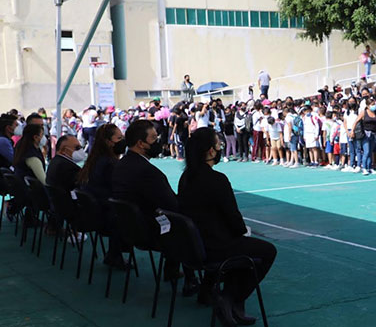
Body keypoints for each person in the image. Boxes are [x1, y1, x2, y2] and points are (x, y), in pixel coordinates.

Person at [178, 127, 277, 327]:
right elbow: (233, 218)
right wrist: (243, 231)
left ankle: (227, 300)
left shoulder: (186, 177)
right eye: (217, 143)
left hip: (193, 246)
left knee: (243, 247)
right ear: (210, 151)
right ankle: (230, 297)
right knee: (267, 251)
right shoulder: (217, 179)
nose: (220, 146)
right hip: (215, 246)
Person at [111, 120, 198, 294]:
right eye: (153, 138)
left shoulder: (120, 165)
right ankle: (193, 280)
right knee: (186, 223)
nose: (157, 142)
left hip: (127, 228)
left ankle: (172, 270)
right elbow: (172, 205)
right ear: (140, 144)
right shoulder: (147, 172)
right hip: (148, 231)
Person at [77, 124, 129, 269]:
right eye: (119, 138)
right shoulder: (110, 163)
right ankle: (115, 254)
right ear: (108, 142)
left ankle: (114, 254)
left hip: (93, 213)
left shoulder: (95, 159)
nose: (122, 141)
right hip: (106, 216)